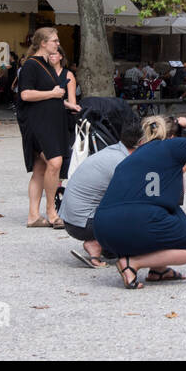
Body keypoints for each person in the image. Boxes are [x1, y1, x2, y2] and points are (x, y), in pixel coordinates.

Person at [96, 114, 186, 288]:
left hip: (104, 230)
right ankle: (133, 263)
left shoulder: (133, 155)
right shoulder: (170, 145)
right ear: (173, 137)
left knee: (165, 212)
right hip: (138, 220)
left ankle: (158, 269)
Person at [60, 106, 152, 267]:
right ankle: (96, 243)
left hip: (72, 218)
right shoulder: (123, 163)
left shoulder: (114, 150)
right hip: (82, 224)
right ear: (142, 142)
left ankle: (107, 246)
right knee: (142, 215)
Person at [17, 28, 80, 228]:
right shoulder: (31, 65)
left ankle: (33, 216)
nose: (57, 43)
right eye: (54, 40)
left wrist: (67, 104)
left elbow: (50, 95)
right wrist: (52, 94)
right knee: (55, 162)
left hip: (51, 121)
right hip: (37, 123)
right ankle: (51, 212)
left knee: (40, 168)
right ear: (43, 43)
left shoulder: (46, 65)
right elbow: (25, 95)